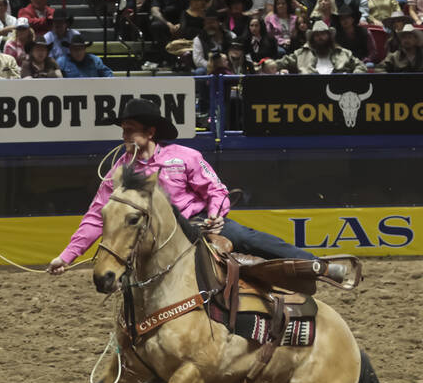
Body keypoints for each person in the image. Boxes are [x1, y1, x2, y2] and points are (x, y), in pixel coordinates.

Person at [48, 99, 358, 280]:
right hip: (150, 239)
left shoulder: (185, 157)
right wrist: (67, 255)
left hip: (197, 224)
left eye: (130, 129)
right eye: (124, 129)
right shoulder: (119, 173)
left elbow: (216, 190)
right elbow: (95, 217)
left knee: (250, 239)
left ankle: (319, 266)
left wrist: (215, 216)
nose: (124, 134)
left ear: (150, 132)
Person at [274, 21, 368, 73]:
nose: (320, 37)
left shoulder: (344, 53)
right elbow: (280, 63)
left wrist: (354, 77)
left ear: (329, 36)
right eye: (317, 35)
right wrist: (265, 65)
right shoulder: (301, 53)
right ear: (312, 38)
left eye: (323, 34)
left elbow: (361, 66)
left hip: (339, 89)